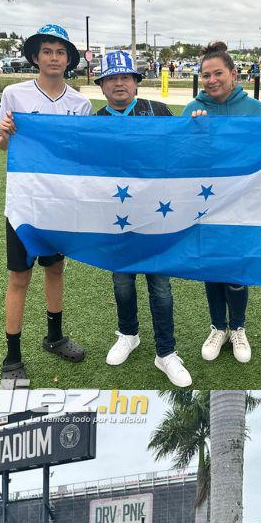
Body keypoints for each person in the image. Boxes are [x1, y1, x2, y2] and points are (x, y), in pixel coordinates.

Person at [0, 24, 91, 384]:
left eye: (60, 52)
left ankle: (54, 337)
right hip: (24, 201)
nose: (54, 58)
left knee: (55, 269)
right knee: (19, 276)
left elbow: (82, 153)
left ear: (69, 60)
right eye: (47, 51)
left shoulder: (79, 103)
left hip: (60, 202)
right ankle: (12, 356)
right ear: (35, 57)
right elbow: (2, 147)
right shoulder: (15, 95)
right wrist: (5, 134)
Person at [92, 51, 191, 388]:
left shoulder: (158, 111)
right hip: (116, 218)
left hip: (156, 216)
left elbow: (184, 146)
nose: (119, 83)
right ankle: (128, 334)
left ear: (135, 83)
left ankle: (166, 352)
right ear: (102, 86)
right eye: (112, 78)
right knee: (122, 283)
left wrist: (201, 122)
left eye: (126, 77)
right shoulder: (96, 120)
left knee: (160, 287)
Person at [182, 42, 261, 365]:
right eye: (205, 75)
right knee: (213, 267)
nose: (211, 80)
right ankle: (217, 327)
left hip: (242, 204)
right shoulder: (193, 108)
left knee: (236, 270)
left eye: (217, 73)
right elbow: (178, 157)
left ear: (233, 74)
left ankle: (238, 327)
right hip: (205, 205)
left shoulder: (254, 109)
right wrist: (195, 132)